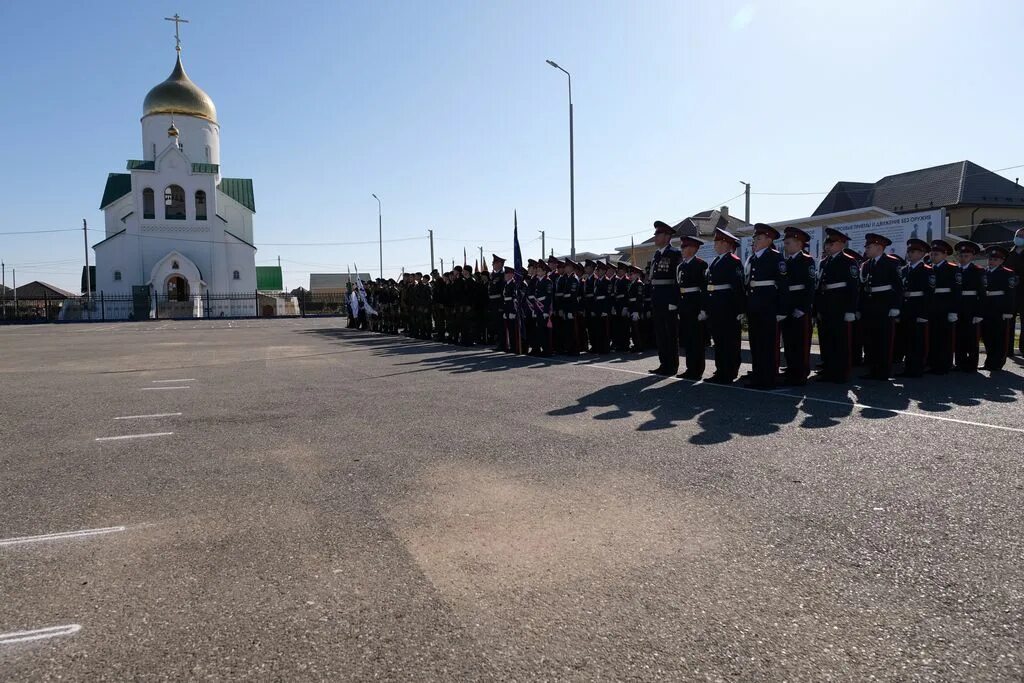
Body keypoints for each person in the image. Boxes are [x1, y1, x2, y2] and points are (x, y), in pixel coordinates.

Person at [814, 228, 860, 383]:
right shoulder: (824, 262)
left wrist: (850, 310)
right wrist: (818, 309)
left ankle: (841, 373)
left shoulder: (849, 261)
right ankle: (828, 370)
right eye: (827, 242)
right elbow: (820, 286)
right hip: (826, 307)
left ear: (841, 244)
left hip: (840, 307)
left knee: (840, 341)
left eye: (831, 243)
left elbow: (853, 288)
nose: (828, 246)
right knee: (826, 341)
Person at [744, 223, 787, 389]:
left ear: (769, 240)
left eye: (759, 238)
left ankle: (767, 379)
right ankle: (758, 375)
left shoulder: (776, 257)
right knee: (755, 343)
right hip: (754, 306)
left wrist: (782, 309)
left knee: (767, 344)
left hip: (768, 307)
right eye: (755, 238)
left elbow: (783, 285)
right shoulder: (753, 258)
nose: (755, 240)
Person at [702, 228, 745, 384]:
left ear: (726, 243)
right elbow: (710, 287)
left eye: (717, 241)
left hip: (728, 308)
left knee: (729, 342)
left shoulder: (733, 261)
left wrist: (740, 309)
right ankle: (720, 370)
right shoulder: (716, 261)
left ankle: (729, 371)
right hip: (716, 307)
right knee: (719, 342)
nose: (715, 244)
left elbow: (738, 286)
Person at [859, 233, 903, 381]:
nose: (866, 249)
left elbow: (898, 285)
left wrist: (896, 306)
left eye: (868, 247)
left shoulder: (892, 262)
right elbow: (863, 288)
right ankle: (872, 369)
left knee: (884, 341)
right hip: (869, 307)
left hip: (885, 307)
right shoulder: (866, 264)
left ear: (879, 247)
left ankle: (883, 371)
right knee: (870, 341)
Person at [643, 221, 682, 375]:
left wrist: (674, 301)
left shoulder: (674, 253)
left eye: (658, 234)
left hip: (668, 300)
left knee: (670, 334)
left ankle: (672, 366)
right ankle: (663, 364)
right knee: (660, 334)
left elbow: (677, 280)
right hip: (657, 299)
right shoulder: (657, 254)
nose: (655, 237)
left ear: (667, 236)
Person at [779, 227, 815, 386]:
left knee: (801, 342)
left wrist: (803, 307)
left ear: (799, 243)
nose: (785, 246)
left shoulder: (807, 260)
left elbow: (810, 286)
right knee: (789, 341)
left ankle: (801, 373)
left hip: (800, 307)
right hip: (788, 307)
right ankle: (792, 369)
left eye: (788, 242)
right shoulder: (786, 262)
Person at [897, 238, 933, 378]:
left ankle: (917, 368)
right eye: (909, 251)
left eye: (913, 251)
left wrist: (924, 314)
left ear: (922, 253)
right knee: (906, 340)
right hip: (906, 310)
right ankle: (908, 367)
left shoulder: (926, 271)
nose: (909, 254)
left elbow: (929, 294)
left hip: (918, 310)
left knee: (918, 341)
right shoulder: (904, 270)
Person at [981, 245, 1019, 372]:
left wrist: (1008, 311)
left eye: (995, 259)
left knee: (999, 336)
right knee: (987, 336)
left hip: (999, 307)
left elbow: (1010, 294)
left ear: (1002, 260)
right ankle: (989, 361)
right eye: (990, 259)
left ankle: (998, 362)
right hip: (987, 307)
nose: (992, 261)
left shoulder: (1007, 273)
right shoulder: (984, 272)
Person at [675, 235, 707, 379]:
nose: (682, 249)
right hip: (684, 305)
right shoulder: (681, 266)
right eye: (681, 247)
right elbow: (678, 288)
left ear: (694, 248)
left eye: (684, 247)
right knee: (688, 339)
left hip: (695, 305)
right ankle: (690, 368)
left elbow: (704, 289)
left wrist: (703, 309)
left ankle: (697, 370)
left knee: (696, 339)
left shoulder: (701, 265)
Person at [926, 240, 960, 374]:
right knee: (931, 336)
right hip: (931, 307)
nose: (933, 256)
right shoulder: (928, 267)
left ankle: (944, 364)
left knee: (945, 338)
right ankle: (932, 363)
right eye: (932, 254)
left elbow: (956, 292)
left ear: (945, 255)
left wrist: (953, 311)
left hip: (945, 308)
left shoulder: (953, 269)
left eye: (937, 254)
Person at [954, 240, 984, 372]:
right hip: (958, 306)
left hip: (971, 307)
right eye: (961, 256)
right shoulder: (955, 270)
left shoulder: (978, 271)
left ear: (972, 257)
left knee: (971, 337)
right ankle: (960, 363)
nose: (963, 258)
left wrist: (979, 313)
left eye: (966, 256)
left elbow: (982, 294)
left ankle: (971, 365)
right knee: (959, 336)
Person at [1003, 227, 1024, 355]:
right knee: (1008, 322)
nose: (1019, 238)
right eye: (1018, 235)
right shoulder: (1008, 253)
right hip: (1010, 293)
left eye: (1022, 236)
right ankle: (1008, 349)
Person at [591, 260, 612, 354]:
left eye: (598, 270)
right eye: (597, 270)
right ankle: (599, 348)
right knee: (597, 329)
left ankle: (605, 348)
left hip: (603, 308)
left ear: (603, 271)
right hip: (597, 308)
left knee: (605, 330)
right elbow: (595, 297)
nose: (597, 272)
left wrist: (605, 310)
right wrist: (594, 309)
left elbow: (608, 297)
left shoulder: (607, 281)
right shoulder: (597, 281)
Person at [488, 255, 506, 350]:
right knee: (496, 325)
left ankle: (502, 344)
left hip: (499, 303)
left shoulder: (502, 276)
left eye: (494, 263)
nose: (492, 265)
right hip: (493, 304)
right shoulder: (494, 275)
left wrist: (501, 306)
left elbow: (502, 292)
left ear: (500, 264)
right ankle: (499, 343)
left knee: (500, 326)